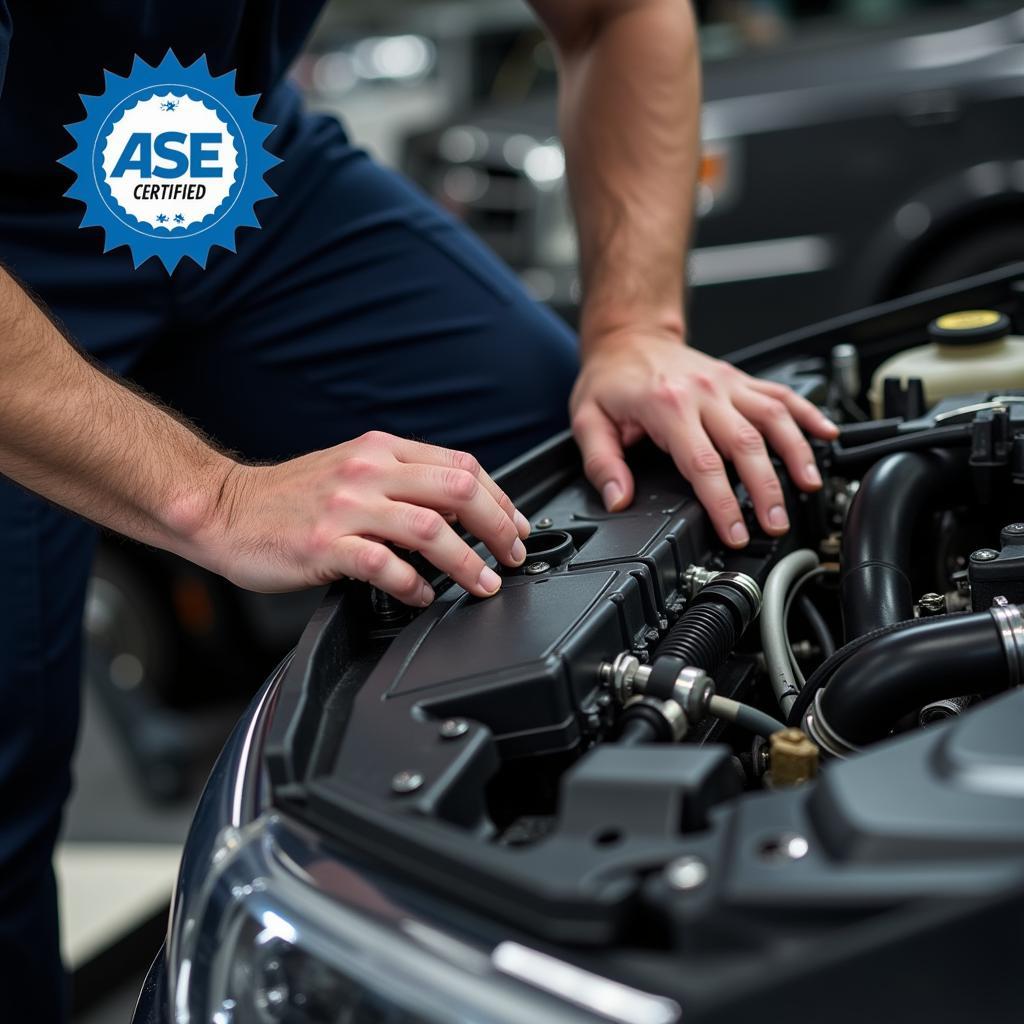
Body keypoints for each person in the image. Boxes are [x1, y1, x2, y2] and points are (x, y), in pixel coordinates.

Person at [0, 0, 836, 1016]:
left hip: (224, 163)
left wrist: (634, 327)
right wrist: (211, 497)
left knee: (578, 476)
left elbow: (616, 14)